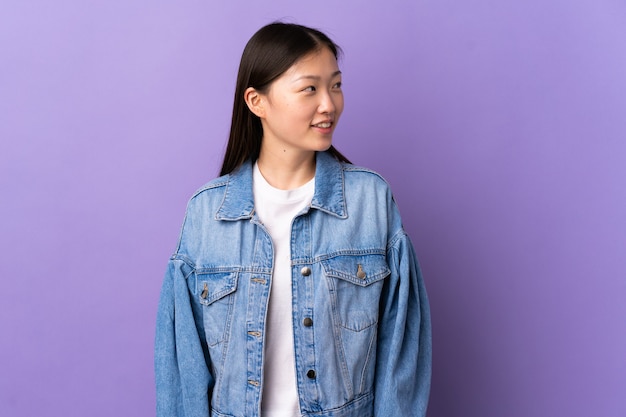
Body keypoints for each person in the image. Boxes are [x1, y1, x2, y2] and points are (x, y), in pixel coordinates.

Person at [155, 22, 431, 417]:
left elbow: (402, 355)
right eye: (310, 89)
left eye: (335, 85)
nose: (329, 105)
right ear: (257, 102)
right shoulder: (206, 214)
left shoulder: (371, 201)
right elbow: (183, 370)